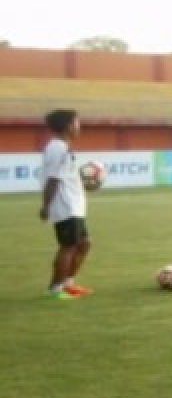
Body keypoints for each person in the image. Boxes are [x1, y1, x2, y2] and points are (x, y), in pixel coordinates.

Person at [39, 109, 93, 299]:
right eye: (77, 122)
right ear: (69, 125)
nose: (79, 127)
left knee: (84, 244)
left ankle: (68, 283)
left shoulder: (64, 147)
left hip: (74, 205)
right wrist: (46, 206)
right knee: (68, 247)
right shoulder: (57, 148)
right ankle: (55, 288)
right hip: (65, 205)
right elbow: (53, 179)